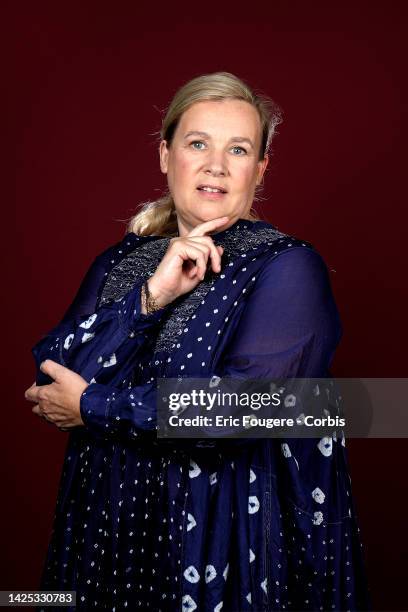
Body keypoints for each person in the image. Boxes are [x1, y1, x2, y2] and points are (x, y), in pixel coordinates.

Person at [25, 71, 371, 611]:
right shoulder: (122, 262)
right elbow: (52, 375)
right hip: (108, 534)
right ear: (166, 157)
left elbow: (244, 408)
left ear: (259, 170)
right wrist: (152, 296)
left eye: (238, 149)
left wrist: (93, 405)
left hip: (226, 539)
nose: (216, 164)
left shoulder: (287, 267)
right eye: (197, 144)